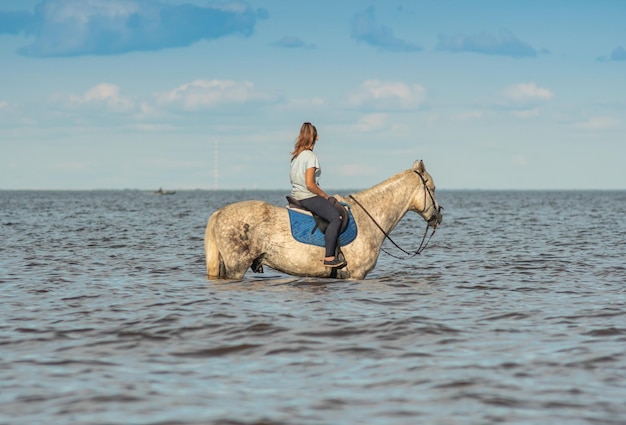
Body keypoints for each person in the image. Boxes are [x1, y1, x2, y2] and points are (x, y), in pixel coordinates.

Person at [290, 122, 346, 268]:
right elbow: (310, 184)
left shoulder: (296, 157)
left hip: (297, 195)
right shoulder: (310, 156)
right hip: (308, 196)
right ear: (315, 137)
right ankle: (329, 258)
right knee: (335, 218)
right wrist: (325, 196)